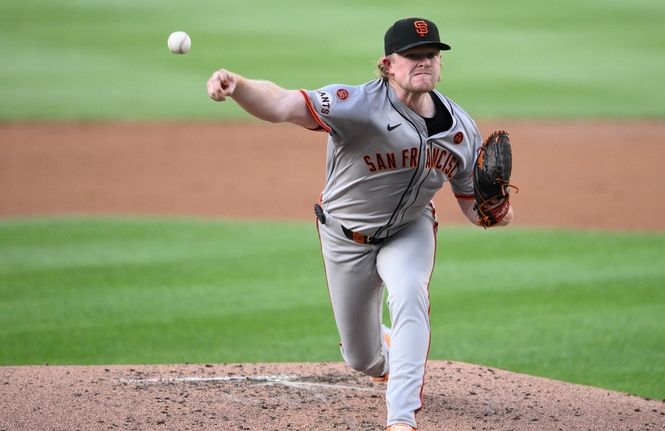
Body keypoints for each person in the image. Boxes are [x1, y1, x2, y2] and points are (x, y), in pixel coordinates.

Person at [207, 17, 513, 431]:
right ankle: (387, 356)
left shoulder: (461, 129)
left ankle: (401, 418)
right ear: (388, 64)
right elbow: (282, 104)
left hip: (409, 229)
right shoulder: (356, 105)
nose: (424, 62)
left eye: (431, 55)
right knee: (362, 358)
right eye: (413, 56)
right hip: (344, 237)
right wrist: (238, 86)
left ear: (439, 64)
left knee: (408, 292)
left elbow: (474, 208)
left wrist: (497, 211)